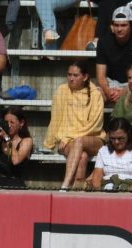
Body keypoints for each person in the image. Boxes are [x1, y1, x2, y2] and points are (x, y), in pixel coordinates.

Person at [45, 58, 104, 191]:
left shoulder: (95, 94)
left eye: (75, 75)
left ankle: (65, 185)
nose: (71, 78)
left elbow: (95, 125)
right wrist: (60, 138)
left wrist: (69, 136)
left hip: (93, 138)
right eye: (69, 75)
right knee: (82, 156)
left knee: (79, 142)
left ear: (85, 77)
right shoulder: (62, 90)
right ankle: (77, 191)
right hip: (66, 140)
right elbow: (56, 119)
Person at [96, 7, 132, 104]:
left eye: (124, 25)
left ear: (131, 25)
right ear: (112, 26)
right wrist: (109, 92)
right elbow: (101, 76)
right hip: (110, 84)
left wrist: (124, 92)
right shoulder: (103, 42)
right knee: (95, 97)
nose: (119, 29)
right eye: (116, 25)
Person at [90, 118, 132, 191]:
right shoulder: (103, 151)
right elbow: (97, 178)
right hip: (106, 189)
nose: (116, 142)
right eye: (113, 138)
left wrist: (127, 194)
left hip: (129, 189)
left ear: (128, 134)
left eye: (121, 138)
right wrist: (99, 193)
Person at [0, 106, 31, 188]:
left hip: (14, 184)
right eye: (6, 122)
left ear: (21, 123)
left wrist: (6, 138)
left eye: (12, 122)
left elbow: (16, 160)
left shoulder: (26, 141)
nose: (8, 125)